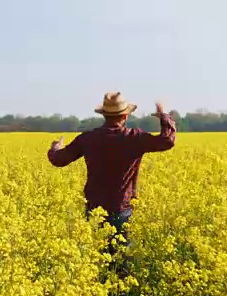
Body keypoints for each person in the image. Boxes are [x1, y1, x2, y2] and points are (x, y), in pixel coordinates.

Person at [46, 91, 176, 276]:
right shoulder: (134, 137)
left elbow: (59, 160)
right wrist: (163, 115)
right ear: (125, 115)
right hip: (121, 207)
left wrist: (55, 147)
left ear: (104, 115)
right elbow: (167, 140)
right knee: (121, 258)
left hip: (94, 208)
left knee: (96, 257)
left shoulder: (88, 138)